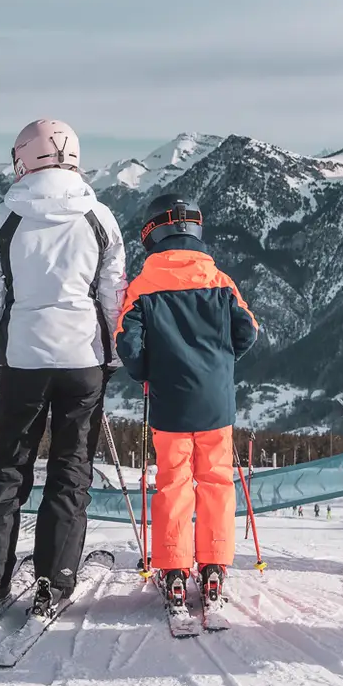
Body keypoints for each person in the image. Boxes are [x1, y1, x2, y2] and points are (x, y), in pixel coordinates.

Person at [0, 119, 127, 617]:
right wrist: (114, 355)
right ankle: (54, 578)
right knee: (70, 469)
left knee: (9, 468)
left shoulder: (3, 217)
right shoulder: (100, 215)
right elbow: (113, 294)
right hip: (83, 359)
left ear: (23, 158)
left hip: (23, 358)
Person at [116, 194, 259, 616]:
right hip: (216, 401)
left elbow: (128, 342)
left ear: (151, 234)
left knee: (173, 484)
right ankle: (214, 565)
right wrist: (219, 363)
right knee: (216, 481)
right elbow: (247, 331)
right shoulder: (220, 280)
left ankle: (174, 569)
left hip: (169, 403)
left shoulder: (143, 286)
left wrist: (146, 372)